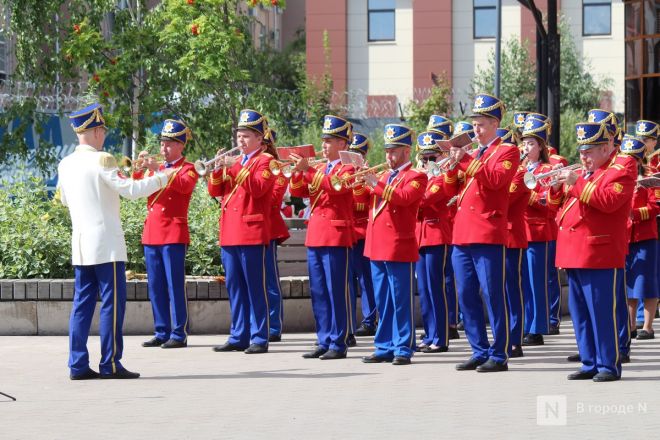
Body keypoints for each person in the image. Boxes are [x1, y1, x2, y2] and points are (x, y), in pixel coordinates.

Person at [57, 103, 174, 380]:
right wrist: (162, 177)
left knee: (82, 304)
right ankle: (109, 363)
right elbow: (131, 190)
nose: (104, 135)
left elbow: (63, 200)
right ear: (96, 131)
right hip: (106, 245)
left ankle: (77, 364)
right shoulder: (102, 159)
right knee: (112, 304)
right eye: (103, 130)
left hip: (82, 245)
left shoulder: (65, 163)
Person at [550, 122, 635, 382]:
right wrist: (556, 186)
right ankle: (589, 361)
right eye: (582, 151)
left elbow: (608, 202)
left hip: (599, 252)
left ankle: (608, 365)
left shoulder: (621, 169)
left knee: (601, 313)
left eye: (590, 151)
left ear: (607, 147)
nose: (584, 157)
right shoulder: (586, 174)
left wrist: (576, 182)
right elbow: (561, 207)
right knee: (581, 314)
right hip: (573, 251)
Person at [450, 93, 520, 373]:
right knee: (466, 293)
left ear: (494, 123)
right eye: (474, 124)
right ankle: (478, 349)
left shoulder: (507, 151)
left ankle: (500, 353)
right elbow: (453, 187)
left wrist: (465, 161)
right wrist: (452, 165)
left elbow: (494, 181)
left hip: (488, 231)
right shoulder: (475, 153)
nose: (475, 129)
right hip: (462, 233)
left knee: (493, 294)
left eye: (480, 124)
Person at [208, 109, 275, 354]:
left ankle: (259, 337)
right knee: (234, 286)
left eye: (246, 136)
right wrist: (216, 169)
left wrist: (234, 167)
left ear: (259, 139)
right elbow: (215, 191)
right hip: (230, 232)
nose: (241, 141)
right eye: (239, 136)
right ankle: (238, 335)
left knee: (255, 287)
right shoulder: (237, 162)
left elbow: (258, 189)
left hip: (251, 231)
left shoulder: (266, 161)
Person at [289, 115, 355, 360]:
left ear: (343, 144)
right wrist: (297, 173)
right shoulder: (319, 167)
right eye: (324, 140)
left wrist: (309, 170)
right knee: (318, 291)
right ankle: (323, 338)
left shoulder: (349, 166)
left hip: (336, 234)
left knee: (336, 290)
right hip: (316, 234)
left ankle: (339, 342)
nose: (324, 145)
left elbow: (338, 188)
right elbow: (298, 193)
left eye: (330, 141)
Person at [361, 124, 427, 365]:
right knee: (382, 299)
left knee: (400, 300)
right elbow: (361, 200)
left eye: (394, 151)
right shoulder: (382, 176)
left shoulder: (417, 176)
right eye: (387, 151)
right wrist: (361, 181)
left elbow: (404, 198)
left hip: (399, 245)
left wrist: (376, 184)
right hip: (377, 245)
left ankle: (403, 346)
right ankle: (384, 345)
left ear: (406, 151)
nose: (389, 156)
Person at [135, 119, 198, 349]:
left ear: (181, 145)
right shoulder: (158, 168)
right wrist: (139, 169)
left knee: (174, 284)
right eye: (162, 144)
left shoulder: (188, 168)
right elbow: (138, 187)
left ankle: (178, 332)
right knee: (156, 286)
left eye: (170, 144)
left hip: (173, 231)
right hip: (152, 232)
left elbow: (183, 186)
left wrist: (157, 170)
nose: (164, 149)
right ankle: (161, 330)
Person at [414, 130, 459, 353]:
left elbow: (423, 200)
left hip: (437, 235)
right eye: (424, 158)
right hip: (421, 237)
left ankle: (441, 337)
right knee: (424, 289)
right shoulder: (424, 177)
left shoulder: (441, 177)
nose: (428, 162)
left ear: (442, 156)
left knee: (436, 287)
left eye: (433, 157)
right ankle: (430, 333)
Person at [519, 116, 559, 346]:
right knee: (523, 282)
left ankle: (537, 328)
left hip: (537, 230)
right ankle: (526, 324)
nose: (526, 148)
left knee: (536, 282)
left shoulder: (548, 169)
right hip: (519, 231)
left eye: (531, 144)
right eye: (524, 143)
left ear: (542, 146)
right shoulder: (519, 167)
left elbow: (549, 203)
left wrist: (529, 195)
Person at [620, 135, 659, 340]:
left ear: (640, 160)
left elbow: (655, 206)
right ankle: (631, 323)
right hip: (626, 236)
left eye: (633, 159)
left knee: (647, 281)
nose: (629, 162)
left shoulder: (651, 178)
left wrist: (635, 214)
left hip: (645, 236)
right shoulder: (620, 177)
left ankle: (648, 326)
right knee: (630, 282)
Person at [499, 126, 530, 358]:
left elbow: (505, 200)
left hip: (511, 234)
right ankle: (503, 336)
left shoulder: (520, 173)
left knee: (512, 288)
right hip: (496, 234)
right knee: (497, 290)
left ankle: (516, 337)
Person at [348, 133, 378, 338]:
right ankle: (348, 320)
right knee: (347, 281)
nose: (353, 158)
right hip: (344, 233)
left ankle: (369, 320)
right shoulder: (341, 174)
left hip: (362, 234)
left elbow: (363, 204)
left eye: (357, 154)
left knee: (366, 279)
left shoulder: (370, 175)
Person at [263, 126, 290, 342]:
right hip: (245, 229)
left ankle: (274, 325)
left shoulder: (279, 169)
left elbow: (272, 201)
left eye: (265, 145)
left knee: (269, 278)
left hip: (268, 228)